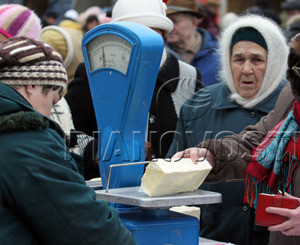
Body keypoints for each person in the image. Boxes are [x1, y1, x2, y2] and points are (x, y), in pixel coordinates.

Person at [0, 36, 136, 244]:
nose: (49, 115)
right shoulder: (27, 142)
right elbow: (91, 231)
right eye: (52, 102)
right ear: (31, 86)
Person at [167, 15, 288, 245]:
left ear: (275, 63)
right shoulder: (198, 106)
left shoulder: (291, 110)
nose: (246, 69)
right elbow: (173, 179)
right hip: (209, 237)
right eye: (238, 59)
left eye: (257, 60)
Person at [65, 0, 203, 180]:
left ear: (163, 37)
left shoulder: (187, 77)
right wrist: (101, 151)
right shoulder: (94, 73)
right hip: (105, 192)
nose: (141, 43)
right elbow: (67, 132)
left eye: (149, 34)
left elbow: (198, 139)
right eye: (133, 34)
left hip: (168, 196)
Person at [165, 0, 220, 86]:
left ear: (194, 22)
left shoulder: (217, 54)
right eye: (167, 22)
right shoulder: (161, 54)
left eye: (175, 21)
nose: (169, 27)